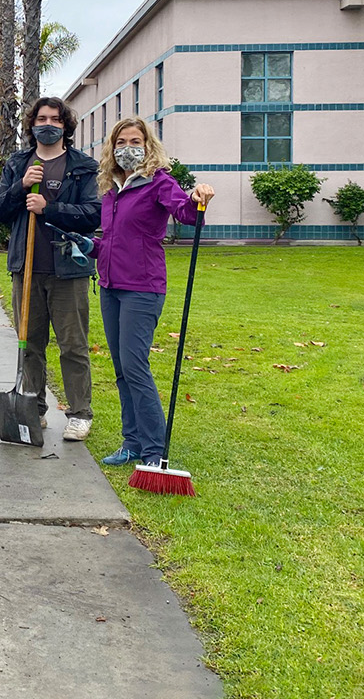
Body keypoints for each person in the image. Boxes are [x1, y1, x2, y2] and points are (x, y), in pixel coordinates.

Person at [87, 118, 215, 468]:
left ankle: (154, 449)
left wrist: (198, 197)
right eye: (121, 142)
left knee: (134, 366)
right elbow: (114, 241)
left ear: (147, 145)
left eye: (135, 141)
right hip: (110, 288)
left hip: (142, 288)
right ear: (112, 148)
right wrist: (90, 246)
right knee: (121, 368)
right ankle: (132, 442)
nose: (128, 148)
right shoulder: (112, 189)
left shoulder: (158, 182)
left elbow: (186, 213)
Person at [0, 97, 102, 441]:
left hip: (68, 269)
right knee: (30, 344)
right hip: (26, 269)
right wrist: (20, 186)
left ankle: (80, 413)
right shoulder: (18, 164)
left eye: (55, 119)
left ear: (65, 126)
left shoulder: (82, 166)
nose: (48, 124)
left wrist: (48, 208)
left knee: (73, 345)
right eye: (42, 119)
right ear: (32, 125)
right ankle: (34, 408)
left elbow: (93, 214)